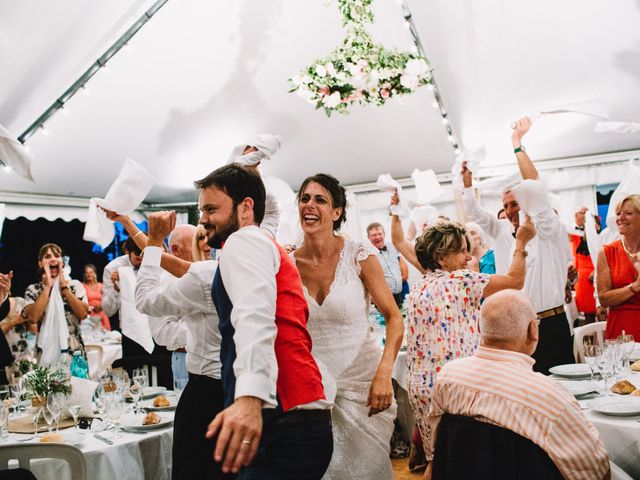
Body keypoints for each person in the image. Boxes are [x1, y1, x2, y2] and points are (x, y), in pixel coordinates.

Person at [199, 164, 333, 479]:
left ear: (246, 207)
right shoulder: (263, 245)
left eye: (210, 209)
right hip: (296, 421)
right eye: (200, 209)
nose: (202, 218)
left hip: (282, 424)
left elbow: (254, 317)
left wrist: (249, 398)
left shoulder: (243, 241)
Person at [423, 290, 610, 480]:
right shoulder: (550, 397)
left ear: (480, 328)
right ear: (533, 330)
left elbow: (437, 443)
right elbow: (595, 471)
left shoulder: (447, 376)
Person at [294, 175, 404, 479]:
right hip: (313, 390)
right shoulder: (287, 263)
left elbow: (394, 318)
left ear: (337, 212)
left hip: (365, 386)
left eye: (320, 200)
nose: (310, 205)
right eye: (305, 198)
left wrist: (384, 374)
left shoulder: (361, 255)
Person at [406, 219, 535, 470]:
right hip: (453, 388)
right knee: (465, 463)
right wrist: (521, 242)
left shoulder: (419, 286)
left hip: (422, 387)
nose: (468, 257)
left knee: (438, 461)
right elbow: (515, 281)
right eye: (461, 251)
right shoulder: (460, 281)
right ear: (442, 257)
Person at [460, 117, 574, 374]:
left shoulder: (548, 229)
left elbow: (535, 188)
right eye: (506, 205)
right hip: (514, 324)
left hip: (551, 322)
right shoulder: (500, 231)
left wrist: (517, 144)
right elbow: (475, 214)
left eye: (515, 203)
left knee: (561, 390)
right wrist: (467, 185)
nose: (510, 210)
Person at [135, 213, 225, 480]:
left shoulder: (204, 274)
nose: (206, 241)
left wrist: (153, 239)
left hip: (206, 389)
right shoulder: (245, 267)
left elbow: (144, 300)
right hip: (236, 386)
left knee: (193, 467)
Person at [23, 244, 89, 363]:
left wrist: (64, 287)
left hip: (73, 348)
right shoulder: (33, 289)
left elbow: (83, 314)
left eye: (57, 256)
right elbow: (33, 318)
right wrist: (48, 287)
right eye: (47, 257)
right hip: (45, 347)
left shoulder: (74, 285)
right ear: (40, 263)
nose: (53, 259)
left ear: (62, 262)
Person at [597, 194, 640, 339]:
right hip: (621, 331)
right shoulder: (607, 252)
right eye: (618, 213)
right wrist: (634, 287)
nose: (620, 218)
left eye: (628, 213)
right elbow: (604, 298)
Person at [570, 208, 601, 324]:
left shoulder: (600, 239)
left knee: (601, 311)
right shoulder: (576, 236)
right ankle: (590, 340)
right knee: (588, 315)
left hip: (596, 278)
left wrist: (597, 272)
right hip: (582, 281)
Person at [367, 221, 409, 307]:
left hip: (400, 294)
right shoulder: (368, 255)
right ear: (368, 237)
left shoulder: (392, 247)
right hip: (384, 298)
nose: (378, 237)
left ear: (384, 234)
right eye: (374, 235)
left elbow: (406, 240)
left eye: (380, 234)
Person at [82, 264, 111, 330]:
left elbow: (108, 299)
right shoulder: (82, 287)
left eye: (91, 272)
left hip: (102, 315)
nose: (89, 274)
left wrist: (101, 305)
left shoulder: (101, 286)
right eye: (86, 273)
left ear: (95, 273)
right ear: (84, 275)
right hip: (89, 316)